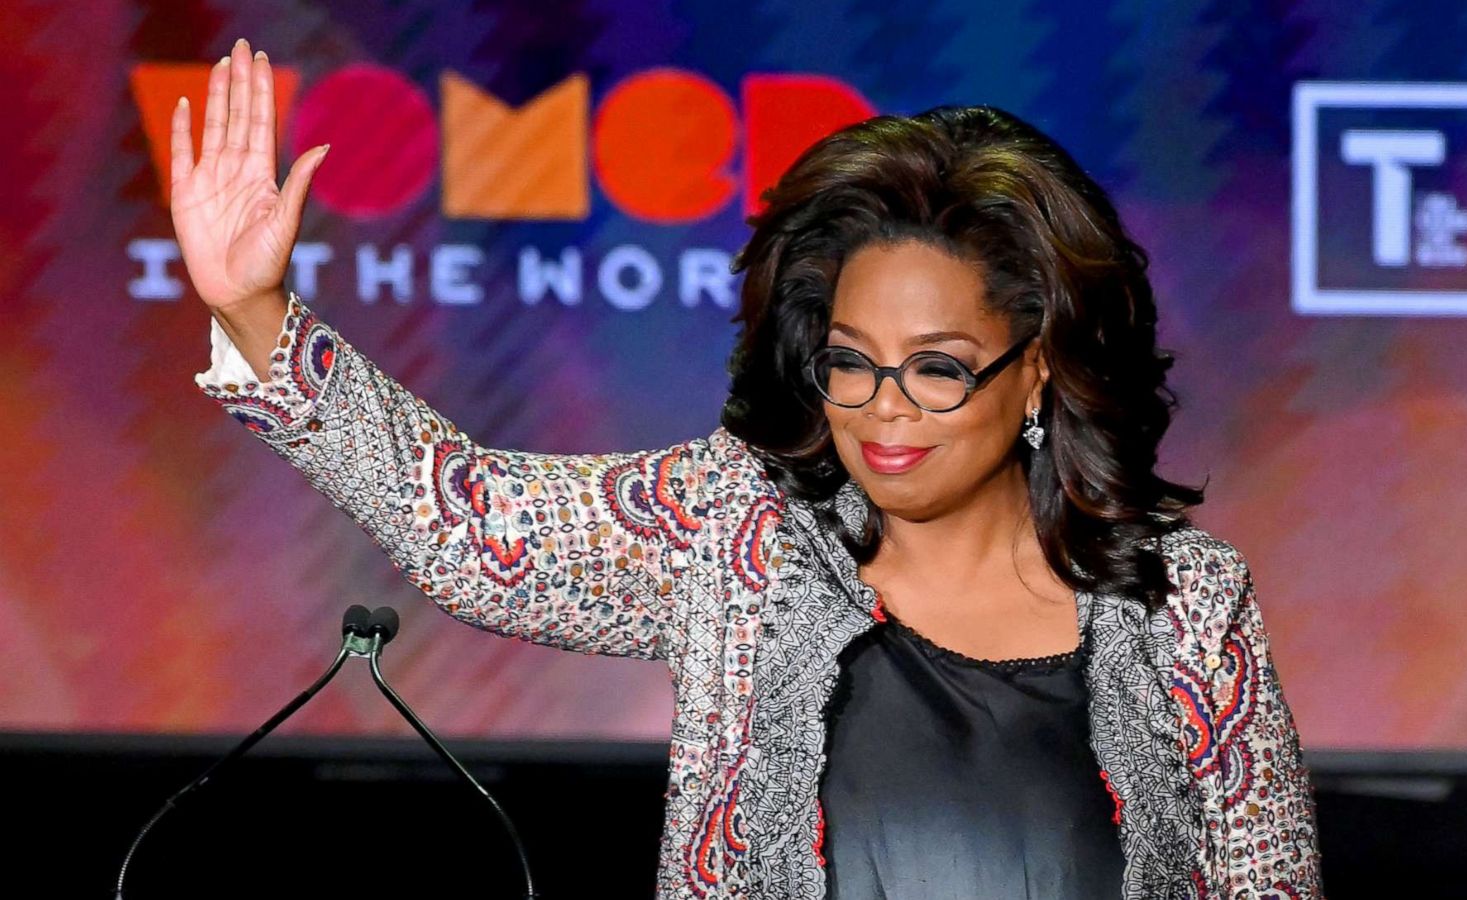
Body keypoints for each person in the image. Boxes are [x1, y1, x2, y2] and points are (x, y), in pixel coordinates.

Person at [174, 37, 1324, 900]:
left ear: (1036, 374)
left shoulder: (1183, 601)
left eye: (937, 369)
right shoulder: (738, 531)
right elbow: (471, 529)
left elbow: (1267, 886)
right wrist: (256, 309)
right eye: (850, 363)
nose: (882, 411)